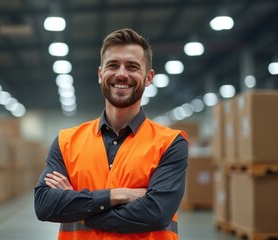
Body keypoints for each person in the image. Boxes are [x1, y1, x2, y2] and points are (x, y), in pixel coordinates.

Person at [34, 28, 188, 240]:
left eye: (132, 66)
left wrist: (79, 210)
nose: (121, 73)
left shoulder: (170, 143)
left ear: (148, 77)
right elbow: (44, 205)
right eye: (113, 65)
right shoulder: (66, 142)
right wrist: (119, 195)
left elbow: (156, 213)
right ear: (100, 74)